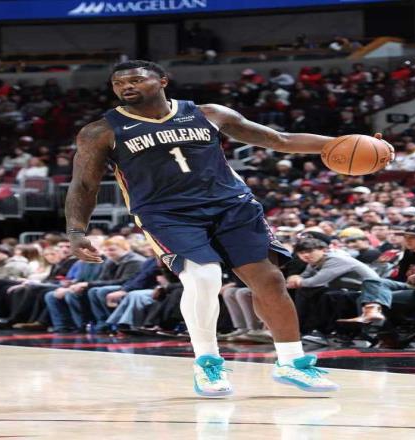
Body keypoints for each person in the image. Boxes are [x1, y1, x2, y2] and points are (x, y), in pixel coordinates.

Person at [65, 59, 393, 397]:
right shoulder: (100, 131)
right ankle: (208, 363)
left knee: (270, 280)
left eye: (135, 79)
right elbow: (84, 185)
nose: (126, 87)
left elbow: (280, 139)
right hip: (167, 213)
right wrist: (76, 231)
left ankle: (292, 363)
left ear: (162, 81)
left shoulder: (209, 113)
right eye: (119, 83)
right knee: (204, 277)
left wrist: (349, 142)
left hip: (231, 205)